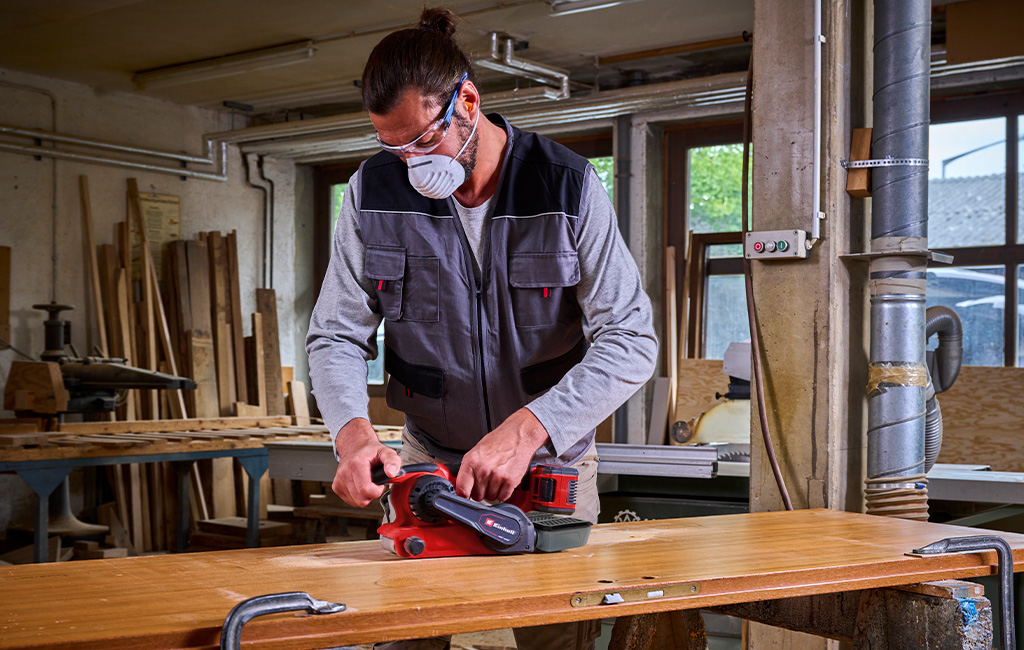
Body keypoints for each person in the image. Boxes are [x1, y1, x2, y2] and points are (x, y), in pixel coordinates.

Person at [306, 7, 657, 649]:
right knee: (409, 633)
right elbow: (335, 333)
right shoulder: (371, 191)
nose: (410, 162)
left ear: (467, 101)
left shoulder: (567, 185)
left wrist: (528, 431)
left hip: (550, 462)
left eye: (422, 140)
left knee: (558, 637)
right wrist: (352, 438)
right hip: (431, 464)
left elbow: (631, 339)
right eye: (392, 145)